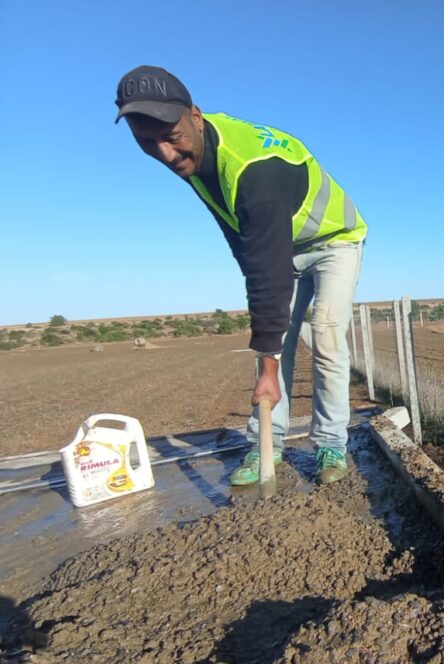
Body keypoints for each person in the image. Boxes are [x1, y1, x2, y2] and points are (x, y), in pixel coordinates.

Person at [114, 66, 366, 486]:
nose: (165, 154)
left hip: (333, 242)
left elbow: (267, 263)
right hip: (279, 243)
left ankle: (330, 444)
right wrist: (265, 331)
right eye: (146, 143)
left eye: (171, 137)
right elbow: (242, 241)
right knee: (271, 342)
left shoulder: (253, 170)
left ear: (195, 116)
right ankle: (267, 444)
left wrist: (268, 363)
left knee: (324, 333)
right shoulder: (197, 157)